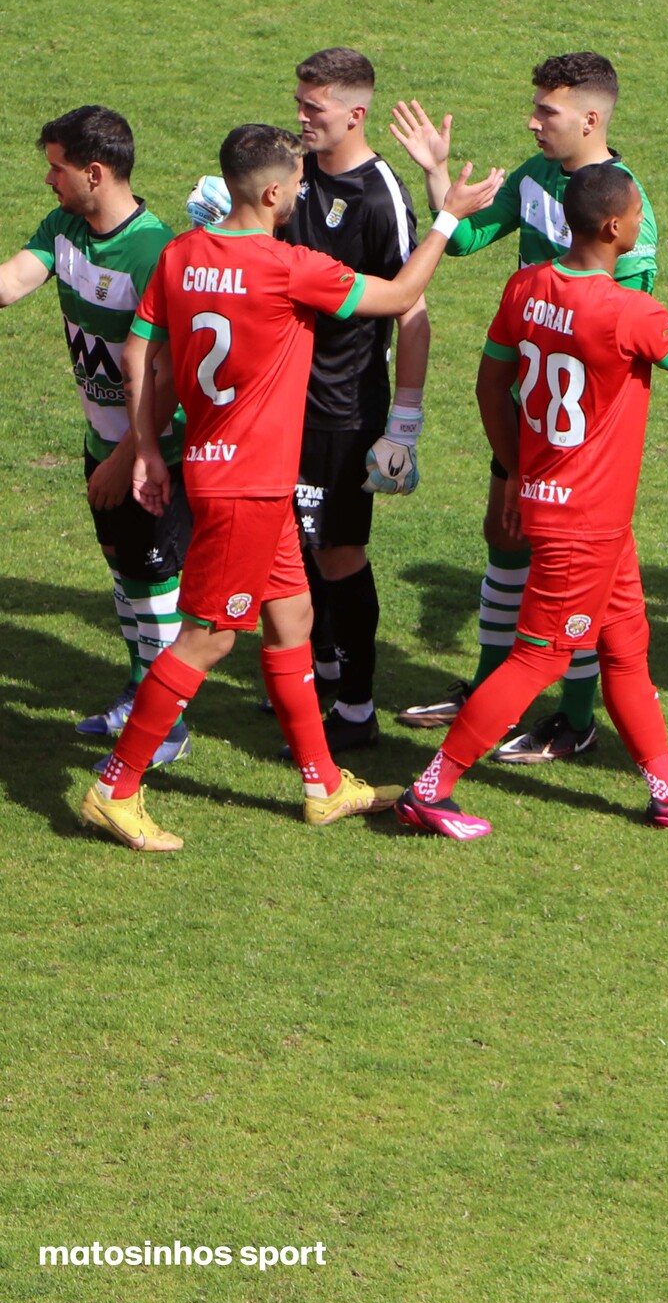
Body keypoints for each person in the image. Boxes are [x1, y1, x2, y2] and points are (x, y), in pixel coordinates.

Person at [79, 125, 501, 852]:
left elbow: (138, 351)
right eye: (299, 185)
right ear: (273, 191)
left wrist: (147, 448)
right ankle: (115, 788)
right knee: (207, 640)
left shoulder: (182, 253)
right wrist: (447, 218)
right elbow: (402, 293)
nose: (304, 194)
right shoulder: (288, 267)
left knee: (293, 618)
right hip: (246, 486)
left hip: (239, 475)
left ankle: (323, 784)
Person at [394, 168, 668, 839]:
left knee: (625, 646)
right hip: (584, 522)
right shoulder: (627, 311)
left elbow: (489, 386)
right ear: (615, 228)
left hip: (568, 506)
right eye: (638, 213)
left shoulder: (526, 287)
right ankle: (430, 788)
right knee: (539, 658)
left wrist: (515, 472)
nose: (642, 221)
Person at [386, 52, 660, 765]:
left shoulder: (625, 207)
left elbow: (630, 328)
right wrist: (436, 174)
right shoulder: (537, 177)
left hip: (579, 426)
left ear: (591, 120)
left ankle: (575, 716)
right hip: (527, 402)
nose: (533, 122)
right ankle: (487, 690)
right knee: (504, 535)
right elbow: (467, 238)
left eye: (547, 111)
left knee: (577, 575)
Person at [0, 107, 191, 761]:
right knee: (125, 571)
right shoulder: (65, 228)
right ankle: (141, 695)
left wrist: (126, 457)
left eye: (57, 168)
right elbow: (9, 284)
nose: (48, 179)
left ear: (95, 172)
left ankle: (168, 726)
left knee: (154, 581)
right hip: (103, 444)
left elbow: (170, 378)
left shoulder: (154, 253)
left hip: (153, 454)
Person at [284, 48, 425, 752]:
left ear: (355, 113)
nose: (301, 117)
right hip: (281, 401)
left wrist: (404, 426)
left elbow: (412, 309)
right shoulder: (291, 171)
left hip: (343, 407)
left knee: (338, 552)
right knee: (295, 545)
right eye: (299, 103)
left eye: (313, 108)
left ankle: (358, 707)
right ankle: (322, 668)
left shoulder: (378, 197)